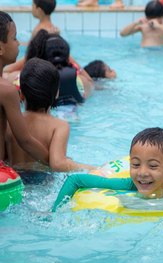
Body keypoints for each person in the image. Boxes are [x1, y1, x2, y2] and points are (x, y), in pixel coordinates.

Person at [5, 57, 95, 172]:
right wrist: (93, 168)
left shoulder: (9, 122)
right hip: (44, 182)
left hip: (14, 179)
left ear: (21, 94)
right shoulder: (59, 126)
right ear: (56, 93)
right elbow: (58, 164)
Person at [0, 11, 48, 165]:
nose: (18, 43)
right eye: (14, 38)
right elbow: (25, 140)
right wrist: (54, 162)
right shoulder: (6, 90)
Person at [3, 0, 59, 75]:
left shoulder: (39, 30)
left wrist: (8, 68)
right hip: (44, 66)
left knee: (5, 71)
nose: (31, 8)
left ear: (39, 10)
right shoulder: (53, 28)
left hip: (35, 67)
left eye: (32, 6)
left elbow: (29, 55)